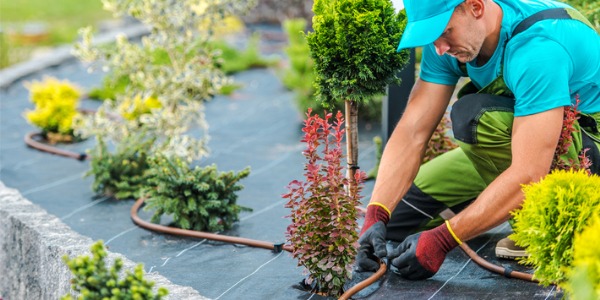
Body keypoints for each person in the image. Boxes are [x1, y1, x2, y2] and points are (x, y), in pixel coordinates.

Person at [356, 0, 600, 280]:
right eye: (432, 37)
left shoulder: (538, 48)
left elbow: (530, 172)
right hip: (524, 138)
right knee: (396, 218)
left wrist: (444, 238)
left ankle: (539, 228)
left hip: (584, 150)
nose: (440, 48)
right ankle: (490, 202)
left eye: (445, 32)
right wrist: (376, 213)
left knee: (475, 118)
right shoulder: (447, 41)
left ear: (475, 7)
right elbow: (413, 131)